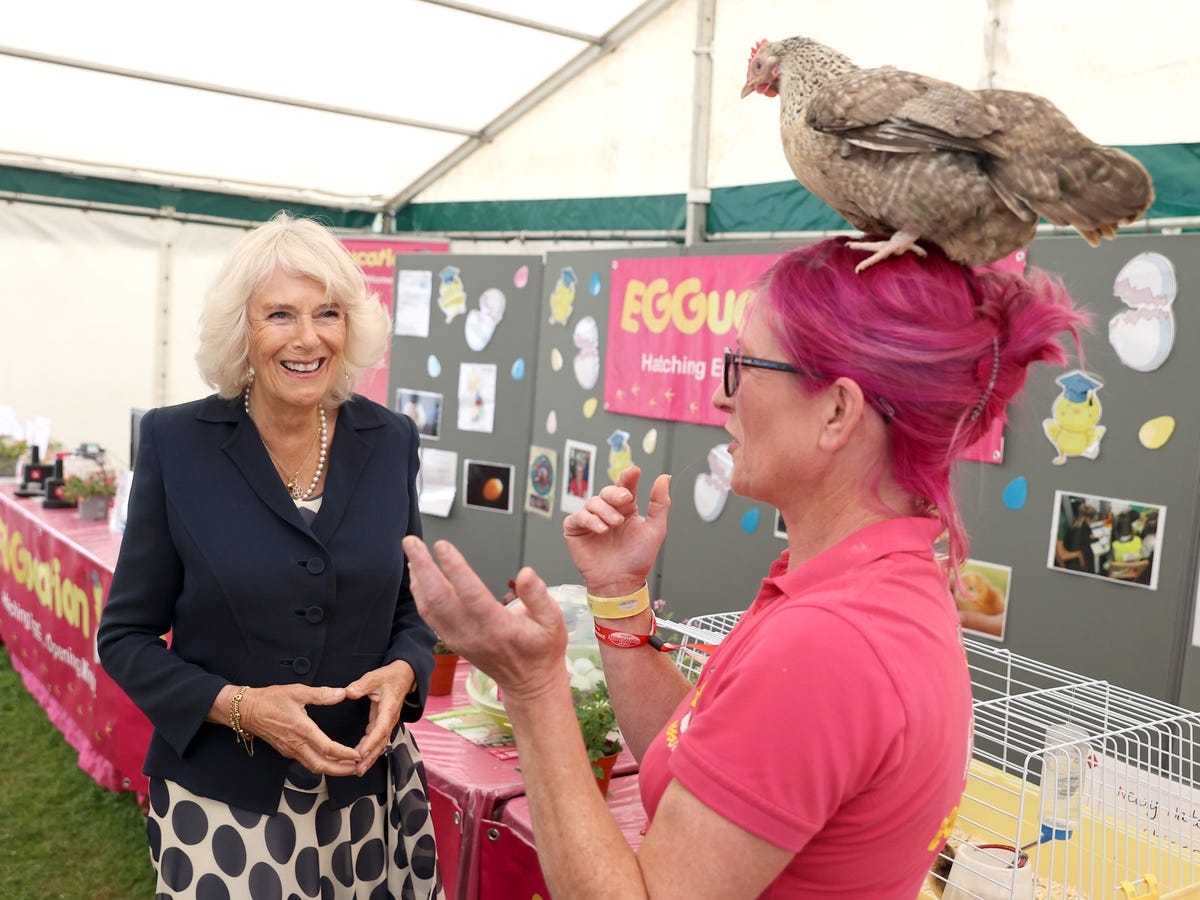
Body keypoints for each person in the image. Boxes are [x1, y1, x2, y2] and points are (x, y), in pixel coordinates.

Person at [401, 236, 1086, 898]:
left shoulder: (831, 643)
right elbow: (703, 755)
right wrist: (617, 598)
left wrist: (531, 687)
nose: (721, 397)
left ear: (838, 412)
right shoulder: (871, 587)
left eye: (744, 367)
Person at [97, 212, 443, 899]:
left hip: (364, 797)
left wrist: (406, 670)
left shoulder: (391, 439)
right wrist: (242, 707)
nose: (308, 338)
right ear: (242, 331)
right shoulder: (177, 444)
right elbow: (125, 637)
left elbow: (410, 604)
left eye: (328, 313)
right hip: (226, 805)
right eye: (279, 314)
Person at [1055, 501, 1098, 573]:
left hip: (1072, 553)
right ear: (1088, 518)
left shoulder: (1077, 522)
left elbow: (1086, 537)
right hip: (1075, 562)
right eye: (1092, 520)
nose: (1092, 522)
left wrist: (1093, 537)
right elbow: (1083, 549)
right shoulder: (1082, 529)